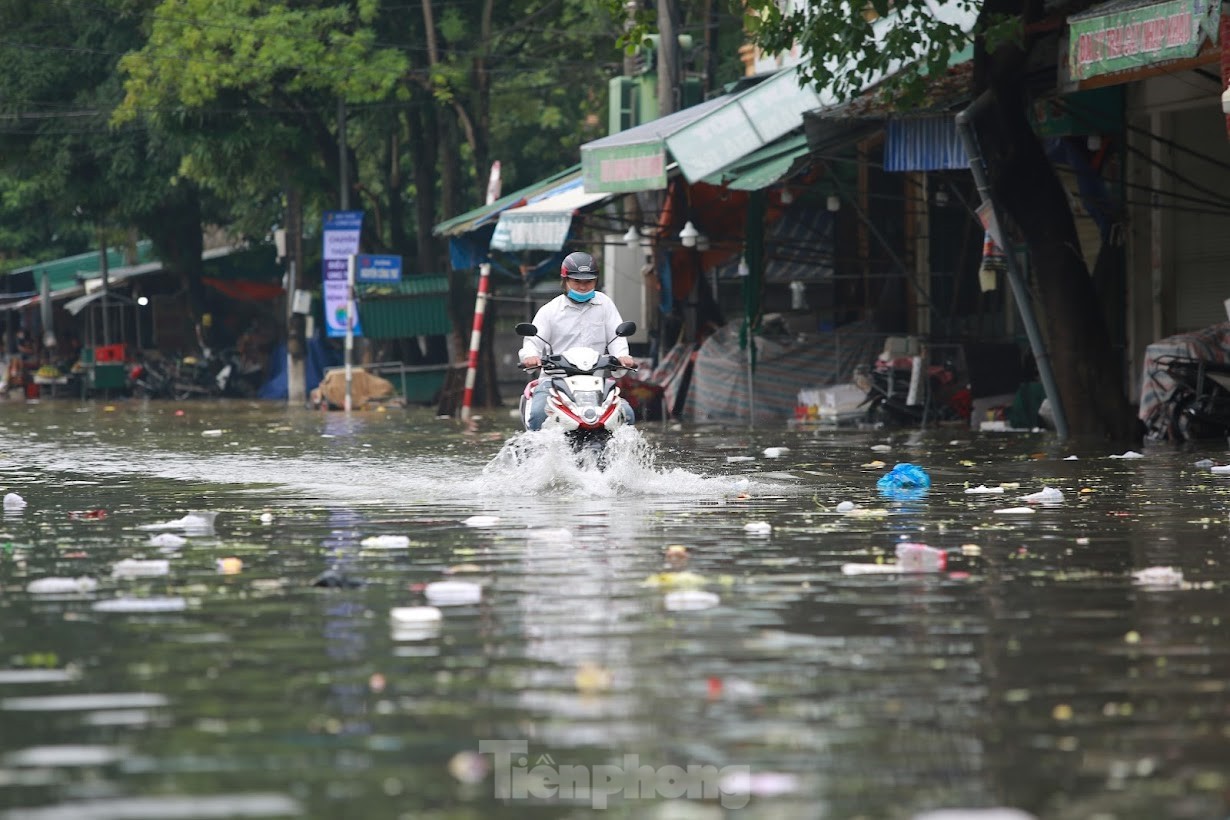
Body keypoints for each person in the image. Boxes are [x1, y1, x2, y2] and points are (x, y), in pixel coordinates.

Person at [519, 251, 636, 431]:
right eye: (577, 282)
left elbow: (616, 339)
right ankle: (536, 457)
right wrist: (531, 357)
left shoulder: (605, 305)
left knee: (627, 415)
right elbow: (532, 343)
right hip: (555, 382)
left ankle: (621, 458)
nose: (583, 287)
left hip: (596, 384)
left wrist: (622, 357)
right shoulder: (549, 310)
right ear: (565, 281)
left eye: (588, 282)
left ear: (595, 281)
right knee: (538, 415)